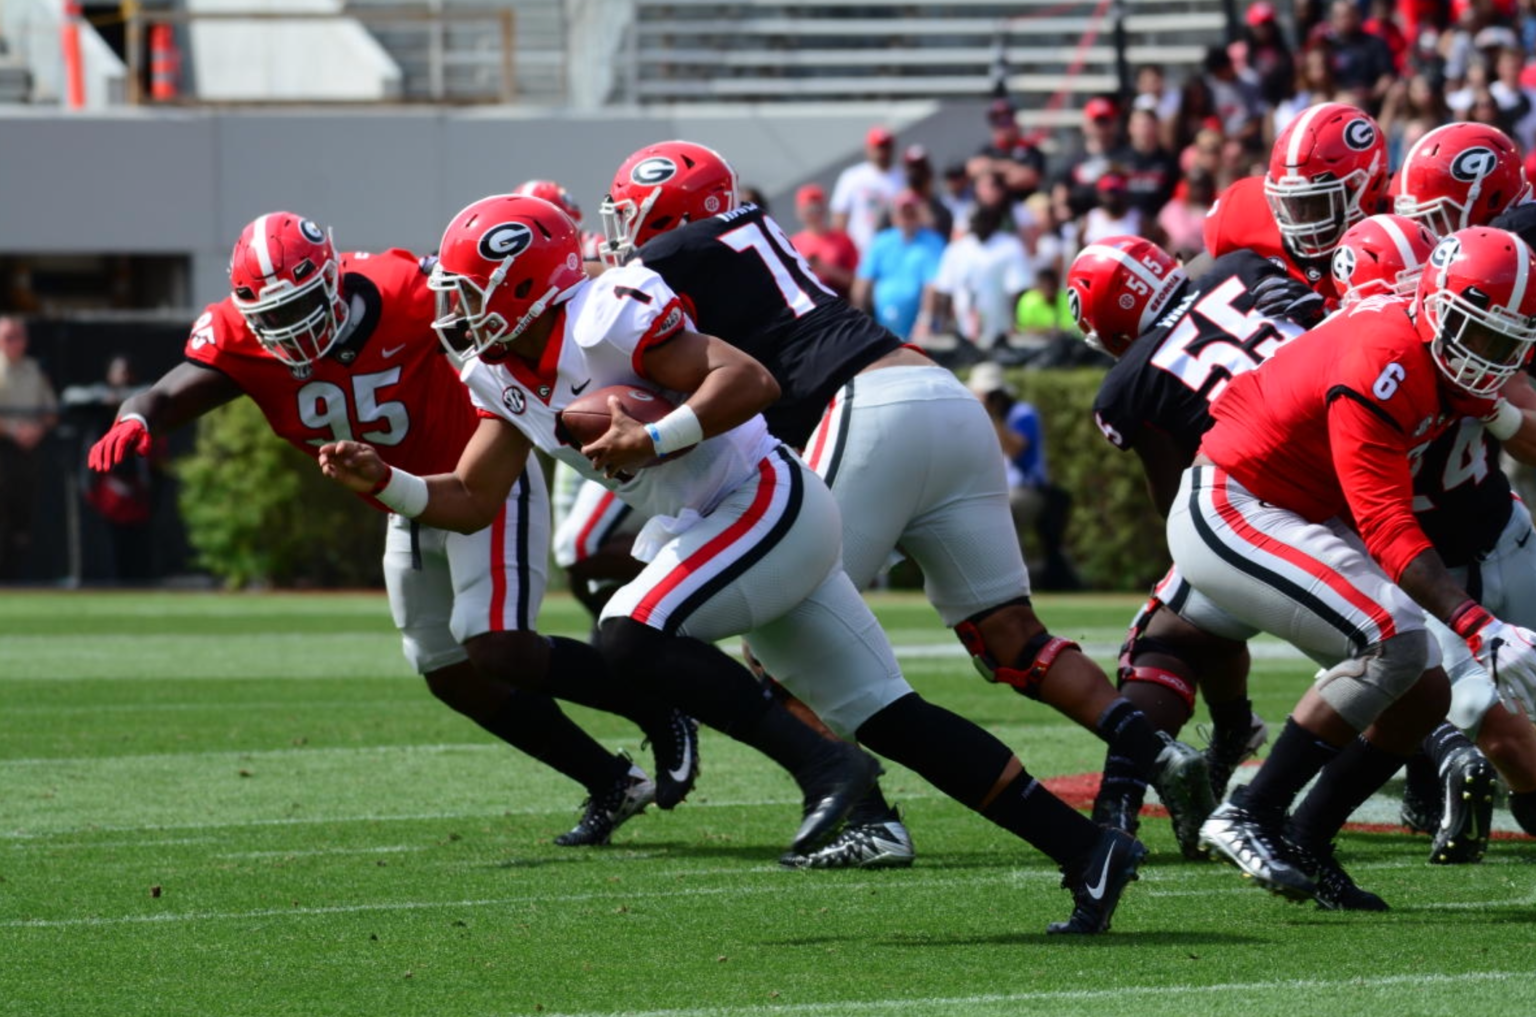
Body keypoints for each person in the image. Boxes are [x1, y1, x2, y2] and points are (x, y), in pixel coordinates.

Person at [326, 193, 1149, 934]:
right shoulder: (501, 373)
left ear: (521, 285)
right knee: (890, 713)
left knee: (629, 630)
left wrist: (652, 436)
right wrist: (389, 483)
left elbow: (747, 378)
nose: (457, 311)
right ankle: (1088, 849)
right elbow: (472, 496)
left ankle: (825, 765)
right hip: (718, 521)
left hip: (763, 496)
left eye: (470, 290)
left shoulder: (605, 312)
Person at [598, 140, 1212, 865]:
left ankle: (868, 815)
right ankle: (1159, 752)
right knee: (1011, 635)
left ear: (670, 214)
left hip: (864, 411)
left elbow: (611, 317)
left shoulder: (673, 256)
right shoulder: (745, 236)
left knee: (776, 629)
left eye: (633, 219)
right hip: (939, 397)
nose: (622, 236)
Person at [86, 211, 698, 849]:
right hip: (403, 498)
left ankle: (657, 704)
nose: (290, 331)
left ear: (333, 278)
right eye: (272, 317)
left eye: (300, 307)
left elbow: (512, 303)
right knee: (445, 667)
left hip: (481, 476)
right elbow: (168, 394)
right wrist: (138, 419)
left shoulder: (406, 288)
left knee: (497, 644)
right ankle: (610, 781)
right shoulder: (238, 336)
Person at [1176, 226, 1536, 909]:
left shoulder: (1438, 341)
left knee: (1424, 689)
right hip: (1235, 500)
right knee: (1394, 636)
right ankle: (1251, 809)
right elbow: (1387, 526)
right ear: (1435, 305)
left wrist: (1498, 408)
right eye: (1476, 334)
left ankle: (1309, 833)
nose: (1486, 356)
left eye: (1504, 344)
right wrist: (1479, 624)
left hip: (1295, 512)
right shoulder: (1388, 356)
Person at [1065, 234, 1325, 819]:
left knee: (1159, 639)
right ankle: (1233, 728)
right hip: (1370, 451)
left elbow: (1177, 497)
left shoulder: (1129, 382)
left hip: (1277, 501)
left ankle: (1117, 811)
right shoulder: (1240, 268)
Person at [1203, 101, 1391, 302]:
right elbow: (1190, 288)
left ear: (1368, 189)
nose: (1300, 219)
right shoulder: (1241, 211)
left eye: (1317, 204)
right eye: (1290, 203)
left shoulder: (1395, 240)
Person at [966, 362, 1079, 591]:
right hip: (998, 490)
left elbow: (1015, 449)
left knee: (1005, 509)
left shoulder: (1023, 414)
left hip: (1028, 490)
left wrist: (993, 417)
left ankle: (1011, 580)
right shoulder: (976, 419)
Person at [64, 354, 157, 582]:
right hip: (105, 479)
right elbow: (71, 396)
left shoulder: (139, 399)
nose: (122, 376)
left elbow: (155, 392)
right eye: (117, 371)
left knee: (136, 536)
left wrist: (127, 401)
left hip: (133, 481)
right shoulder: (100, 396)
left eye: (126, 372)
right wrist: (106, 399)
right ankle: (105, 579)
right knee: (104, 536)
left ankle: (137, 579)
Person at [921, 203, 1033, 359]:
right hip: (964, 332)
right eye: (973, 221)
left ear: (993, 222)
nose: (976, 225)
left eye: (981, 220)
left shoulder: (1010, 247)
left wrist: (1015, 324)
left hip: (1000, 332)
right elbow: (944, 292)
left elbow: (1019, 291)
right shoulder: (956, 249)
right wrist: (943, 325)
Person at [0, 316, 57, 581]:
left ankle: (18, 577)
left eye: (18, 336)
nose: (13, 342)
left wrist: (36, 430)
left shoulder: (34, 370)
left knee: (24, 517)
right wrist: (12, 431)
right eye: (7, 336)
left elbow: (50, 410)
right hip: (3, 449)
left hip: (29, 453)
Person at [852, 189, 946, 340]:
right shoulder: (880, 242)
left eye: (911, 214)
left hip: (919, 327)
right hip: (883, 323)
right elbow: (862, 283)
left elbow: (932, 286)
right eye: (903, 214)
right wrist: (859, 321)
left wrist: (925, 321)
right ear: (894, 217)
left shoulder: (933, 241)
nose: (907, 219)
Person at [830, 125, 905, 257]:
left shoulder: (902, 176)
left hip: (894, 251)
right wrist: (842, 250)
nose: (882, 152)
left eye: (886, 147)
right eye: (878, 147)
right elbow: (839, 217)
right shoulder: (852, 177)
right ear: (868, 148)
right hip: (858, 251)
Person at [788, 183, 859, 299]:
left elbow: (856, 281)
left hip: (842, 302)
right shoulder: (792, 244)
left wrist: (823, 268)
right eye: (808, 210)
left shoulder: (842, 239)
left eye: (816, 209)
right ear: (799, 212)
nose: (813, 215)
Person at [1013, 267, 1078, 340]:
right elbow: (1023, 329)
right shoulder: (1028, 301)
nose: (1048, 289)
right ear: (1038, 286)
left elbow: (1070, 326)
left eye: (1051, 286)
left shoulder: (1065, 299)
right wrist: (1047, 331)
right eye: (1045, 285)